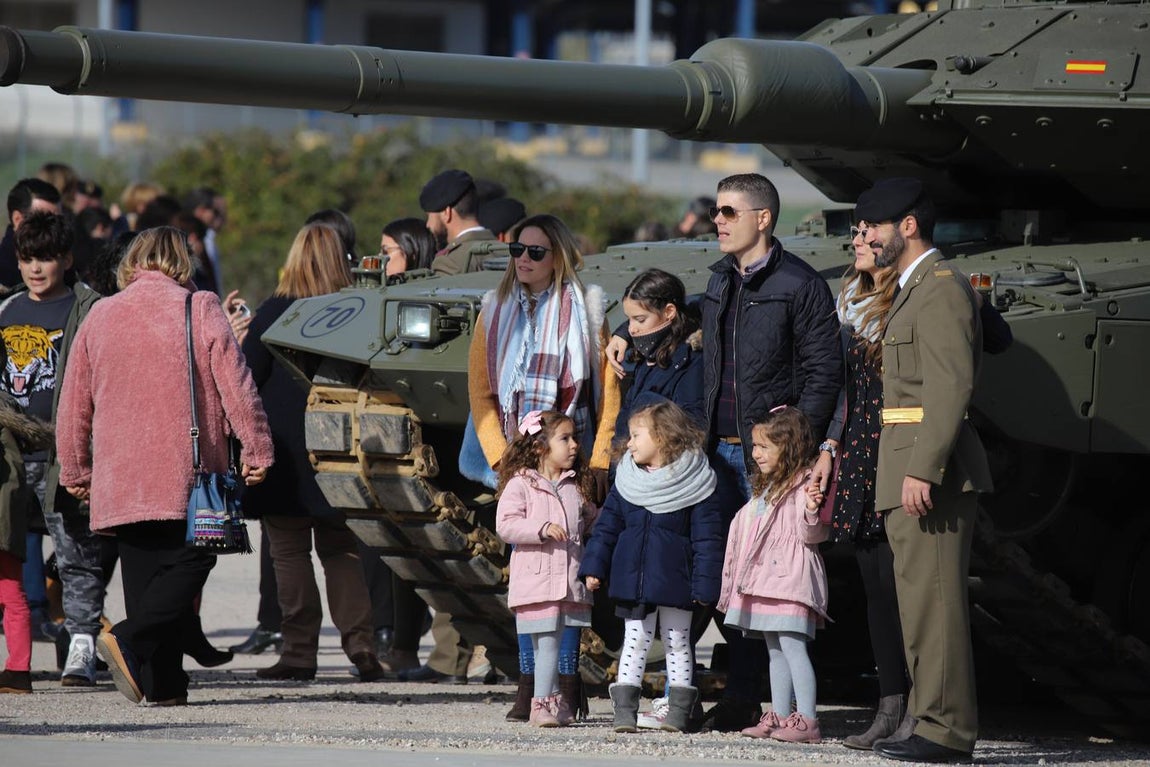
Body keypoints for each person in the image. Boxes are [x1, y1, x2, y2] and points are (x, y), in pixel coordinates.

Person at [608, 173, 842, 731]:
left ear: (763, 219)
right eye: (717, 211)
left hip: (770, 459)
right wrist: (622, 326)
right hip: (717, 453)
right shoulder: (720, 281)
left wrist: (796, 449)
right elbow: (673, 309)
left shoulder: (799, 284)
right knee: (727, 575)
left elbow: (823, 371)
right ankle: (733, 693)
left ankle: (751, 696)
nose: (718, 221)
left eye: (730, 212)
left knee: (768, 582)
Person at [56, 226, 274, 706]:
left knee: (145, 577)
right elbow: (237, 388)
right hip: (186, 471)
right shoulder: (200, 308)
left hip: (118, 474)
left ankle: (162, 686)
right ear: (183, 261)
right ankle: (129, 637)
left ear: (132, 262)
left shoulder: (100, 314)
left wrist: (73, 468)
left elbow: (73, 402)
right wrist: (257, 449)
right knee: (193, 559)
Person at [856, 178, 992, 764]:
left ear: (907, 226)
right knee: (917, 602)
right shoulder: (912, 289)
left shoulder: (939, 289)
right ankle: (931, 720)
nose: (863, 237)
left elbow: (949, 386)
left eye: (872, 228)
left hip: (926, 472)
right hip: (906, 464)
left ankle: (944, 731)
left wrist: (925, 469)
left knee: (934, 604)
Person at [462, 212, 619, 710]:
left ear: (559, 257)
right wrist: (503, 460)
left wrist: (595, 462)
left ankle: (569, 688)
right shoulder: (495, 309)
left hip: (570, 459)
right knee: (529, 589)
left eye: (535, 252)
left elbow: (608, 392)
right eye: (517, 250)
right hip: (518, 466)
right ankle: (530, 687)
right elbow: (481, 395)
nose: (524, 260)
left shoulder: (586, 311)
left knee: (570, 593)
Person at [241, 223, 384, 684]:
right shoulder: (356, 310)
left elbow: (247, 378)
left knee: (288, 554)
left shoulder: (272, 312)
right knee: (341, 553)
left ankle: (299, 652)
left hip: (283, 450)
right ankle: (361, 647)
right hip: (337, 445)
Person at [0, 212, 105, 686]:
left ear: (66, 258)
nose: (35, 268)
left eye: (45, 258)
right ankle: (18, 655)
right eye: (27, 258)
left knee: (76, 554)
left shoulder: (89, 311)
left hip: (67, 454)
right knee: (5, 553)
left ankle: (81, 645)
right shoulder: (6, 310)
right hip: (11, 457)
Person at [580, 399, 723, 733]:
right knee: (636, 640)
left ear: (662, 437)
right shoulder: (627, 481)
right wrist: (594, 567)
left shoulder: (696, 482)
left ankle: (677, 713)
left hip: (677, 580)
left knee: (677, 642)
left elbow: (708, 540)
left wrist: (705, 586)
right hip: (635, 580)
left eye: (636, 435)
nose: (629, 443)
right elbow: (606, 528)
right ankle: (625, 713)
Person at [719, 406, 829, 744]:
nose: (756, 454)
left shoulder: (802, 486)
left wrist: (812, 510)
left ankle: (807, 719)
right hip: (767, 582)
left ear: (789, 447)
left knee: (794, 649)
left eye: (764, 447)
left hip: (791, 583)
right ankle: (780, 715)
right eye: (754, 446)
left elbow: (811, 535)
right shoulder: (765, 489)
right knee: (775, 652)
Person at [495, 410, 598, 727]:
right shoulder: (521, 484)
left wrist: (596, 564)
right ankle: (541, 704)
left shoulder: (575, 487)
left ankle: (557, 702)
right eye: (565, 439)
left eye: (574, 438)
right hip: (536, 584)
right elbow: (506, 525)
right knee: (547, 644)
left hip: (569, 584)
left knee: (557, 641)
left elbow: (596, 524)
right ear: (540, 447)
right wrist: (540, 529)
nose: (574, 446)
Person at [0, 396, 53, 694]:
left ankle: (18, 670)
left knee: (10, 591)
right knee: (11, 591)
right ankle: (18, 670)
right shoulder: (10, 409)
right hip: (7, 514)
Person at [420, 169, 497, 275]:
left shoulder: (449, 262)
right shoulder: (506, 252)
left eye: (429, 216)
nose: (428, 224)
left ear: (447, 213)